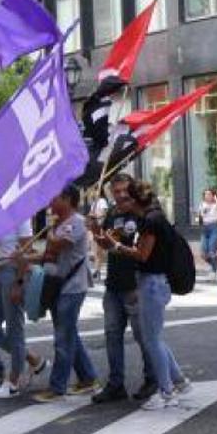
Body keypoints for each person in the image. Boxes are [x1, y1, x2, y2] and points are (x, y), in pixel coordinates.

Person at [94, 181, 191, 410]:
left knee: (151, 339)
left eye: (125, 197)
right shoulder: (153, 217)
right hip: (153, 281)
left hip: (152, 282)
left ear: (134, 201)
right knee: (153, 337)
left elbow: (142, 255)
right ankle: (179, 381)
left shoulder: (149, 221)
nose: (120, 201)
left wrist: (116, 245)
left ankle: (167, 391)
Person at [90, 173, 160, 404]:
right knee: (112, 335)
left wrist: (115, 243)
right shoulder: (112, 212)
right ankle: (115, 384)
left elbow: (145, 248)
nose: (120, 195)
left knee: (143, 336)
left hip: (136, 282)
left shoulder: (142, 212)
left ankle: (152, 379)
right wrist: (95, 230)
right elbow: (106, 243)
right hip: (115, 282)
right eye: (116, 191)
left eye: (123, 191)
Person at [32, 185, 102, 402]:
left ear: (67, 199)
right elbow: (48, 254)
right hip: (57, 285)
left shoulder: (76, 223)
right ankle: (88, 378)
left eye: (54, 198)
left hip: (72, 287)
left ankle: (57, 387)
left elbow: (57, 244)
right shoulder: (61, 224)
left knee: (63, 338)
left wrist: (51, 230)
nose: (50, 202)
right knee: (68, 334)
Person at [0, 219, 35, 398]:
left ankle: (14, 379)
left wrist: (19, 283)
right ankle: (33, 359)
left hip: (13, 272)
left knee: (15, 328)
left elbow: (26, 251)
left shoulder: (21, 217)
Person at [197, 188, 217, 283]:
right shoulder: (202, 204)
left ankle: (213, 271)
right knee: (203, 253)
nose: (207, 196)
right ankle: (215, 266)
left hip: (214, 228)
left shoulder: (216, 204)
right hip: (205, 228)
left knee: (211, 250)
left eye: (209, 194)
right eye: (205, 194)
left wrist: (216, 199)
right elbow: (200, 216)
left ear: (213, 195)